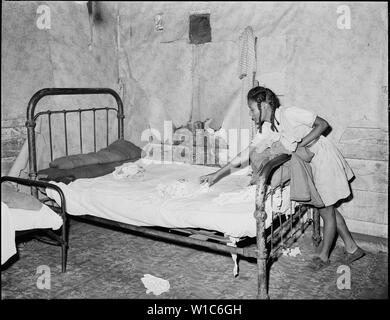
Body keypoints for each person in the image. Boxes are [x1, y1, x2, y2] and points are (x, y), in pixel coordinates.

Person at [200, 86, 365, 270]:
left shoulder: (289, 113)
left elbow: (323, 124)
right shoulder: (268, 128)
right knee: (329, 207)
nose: (250, 113)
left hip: (323, 157)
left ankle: (324, 256)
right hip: (308, 159)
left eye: (252, 109)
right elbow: (247, 152)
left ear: (263, 106)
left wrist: (300, 143)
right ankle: (353, 248)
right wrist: (217, 174)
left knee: (326, 209)